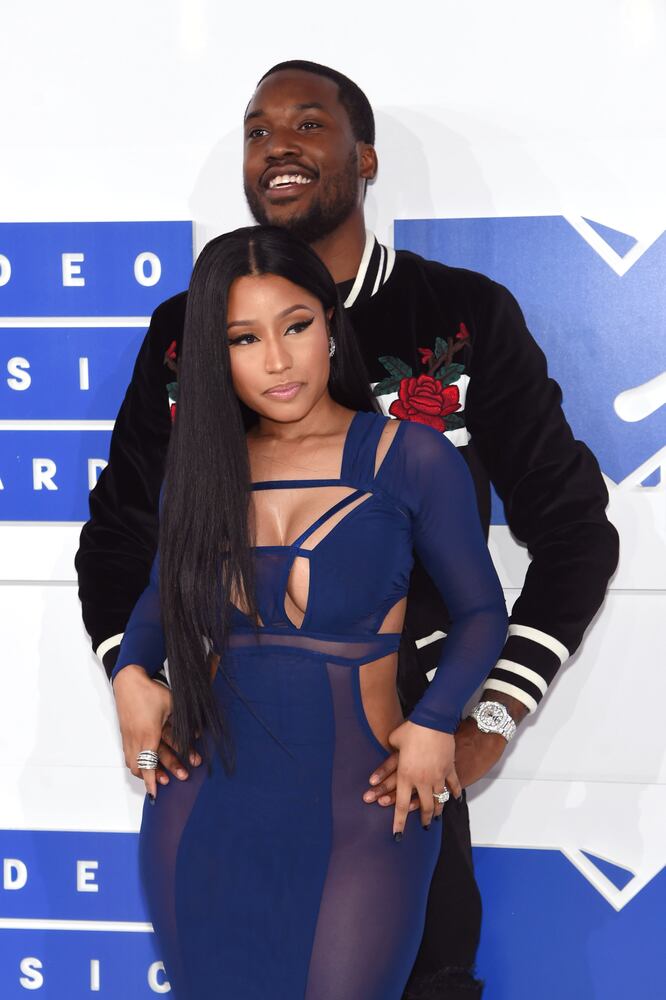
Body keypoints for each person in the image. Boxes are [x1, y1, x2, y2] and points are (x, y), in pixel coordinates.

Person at [75, 61, 619, 998]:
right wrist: (138, 673)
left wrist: (484, 715)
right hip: (226, 752)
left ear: (365, 157)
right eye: (257, 131)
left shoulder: (462, 315)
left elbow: (573, 531)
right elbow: (125, 535)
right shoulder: (183, 330)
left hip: (397, 757)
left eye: (308, 124)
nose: (278, 146)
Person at [111, 223, 509, 999]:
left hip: (364, 814)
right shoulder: (197, 471)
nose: (277, 360)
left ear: (330, 323)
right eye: (243, 338)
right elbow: (161, 598)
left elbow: (481, 613)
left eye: (295, 326)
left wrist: (437, 720)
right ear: (215, 354)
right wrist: (131, 671)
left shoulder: (410, 456)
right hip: (202, 810)